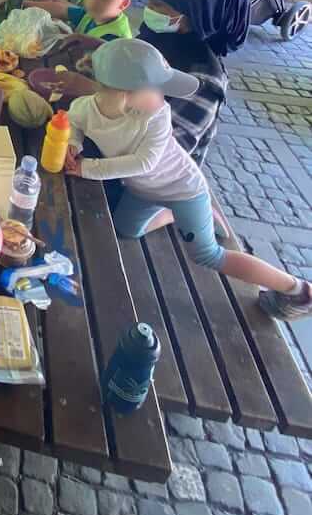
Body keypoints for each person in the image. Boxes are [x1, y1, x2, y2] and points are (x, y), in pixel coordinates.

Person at [65, 39, 312, 321]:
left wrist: (87, 168)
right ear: (127, 93)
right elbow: (75, 121)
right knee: (125, 229)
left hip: (183, 189)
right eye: (158, 89)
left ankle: (297, 289)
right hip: (144, 190)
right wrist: (73, 142)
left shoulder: (157, 114)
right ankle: (175, 215)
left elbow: (144, 163)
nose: (164, 96)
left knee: (208, 255)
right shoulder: (85, 106)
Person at [138, 0, 249, 167]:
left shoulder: (203, 80)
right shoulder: (159, 38)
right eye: (149, 0)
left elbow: (162, 155)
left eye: (157, 4)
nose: (148, 9)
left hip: (152, 184)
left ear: (199, 11)